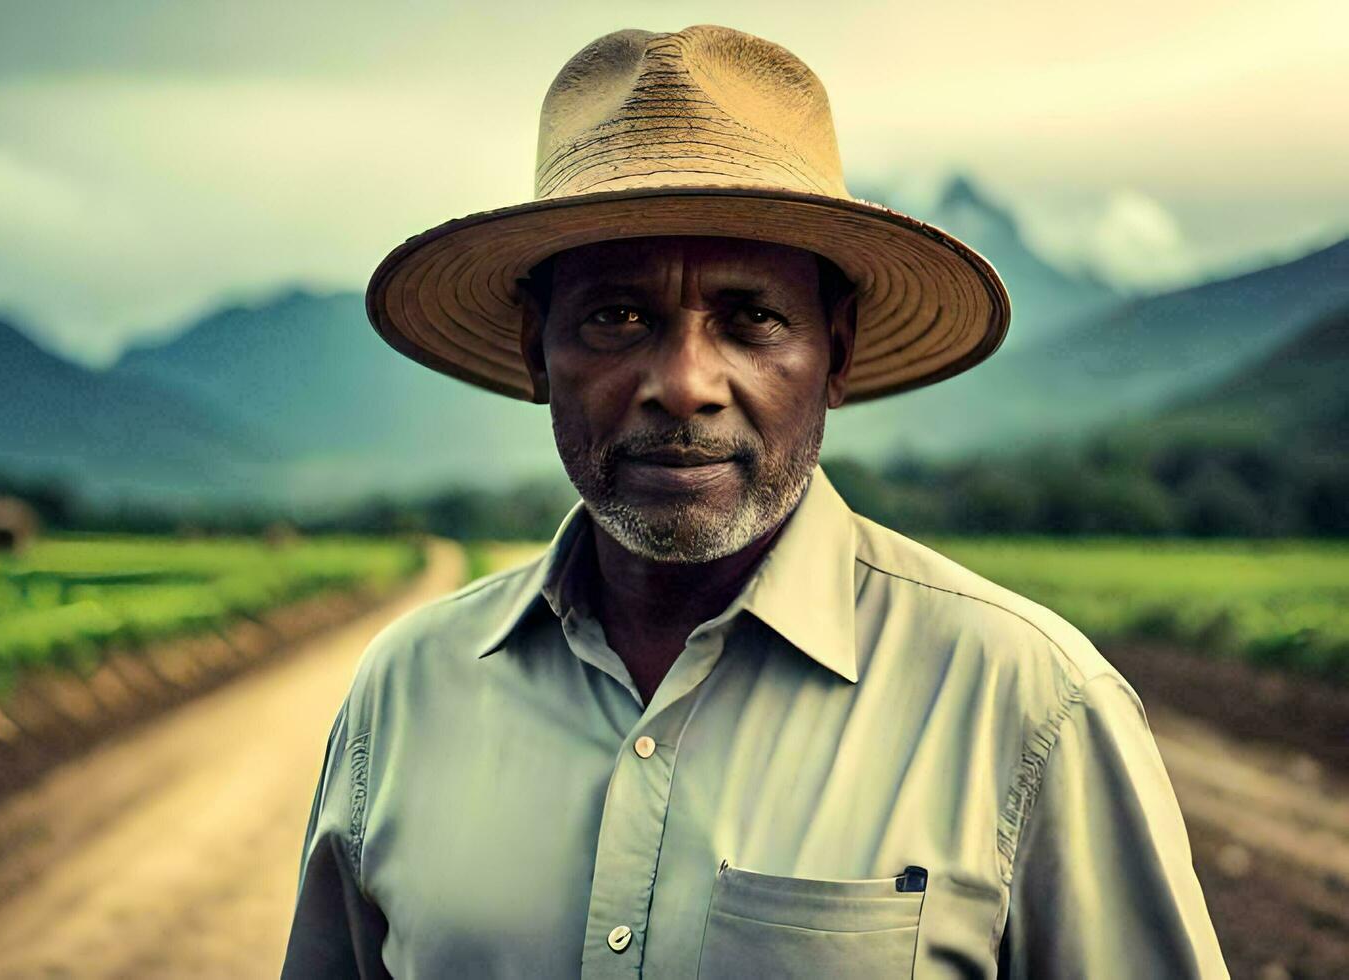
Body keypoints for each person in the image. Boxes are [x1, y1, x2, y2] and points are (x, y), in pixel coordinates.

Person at [282, 24, 1228, 979]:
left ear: (838, 353)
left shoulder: (1029, 705)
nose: (684, 383)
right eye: (617, 316)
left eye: (752, 319)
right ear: (538, 352)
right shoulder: (405, 691)